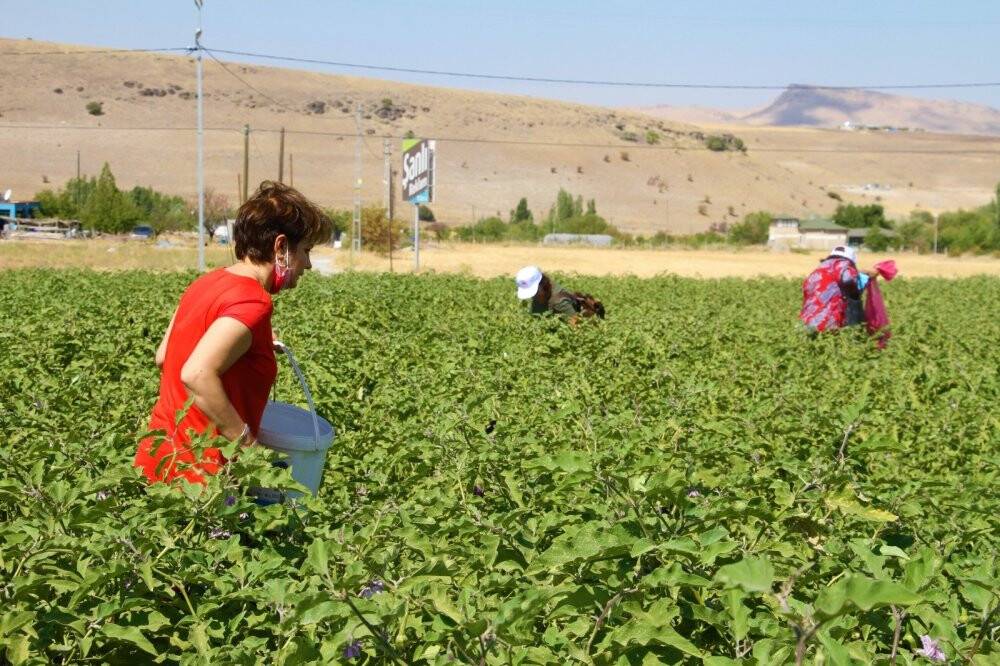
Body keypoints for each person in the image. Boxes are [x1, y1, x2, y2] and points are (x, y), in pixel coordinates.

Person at [134, 181, 332, 484]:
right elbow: (196, 373)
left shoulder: (204, 284)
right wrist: (248, 447)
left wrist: (254, 343)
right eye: (305, 250)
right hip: (199, 475)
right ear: (280, 247)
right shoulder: (253, 301)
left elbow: (164, 357)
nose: (308, 264)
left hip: (158, 457)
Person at [800, 245, 878, 333]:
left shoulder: (822, 266)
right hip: (827, 318)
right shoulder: (844, 264)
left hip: (809, 315)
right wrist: (860, 283)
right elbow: (848, 278)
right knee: (829, 338)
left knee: (811, 337)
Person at [514, 265, 605, 323]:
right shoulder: (542, 292)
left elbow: (576, 327)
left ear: (541, 284)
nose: (533, 296)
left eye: (534, 292)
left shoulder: (558, 301)